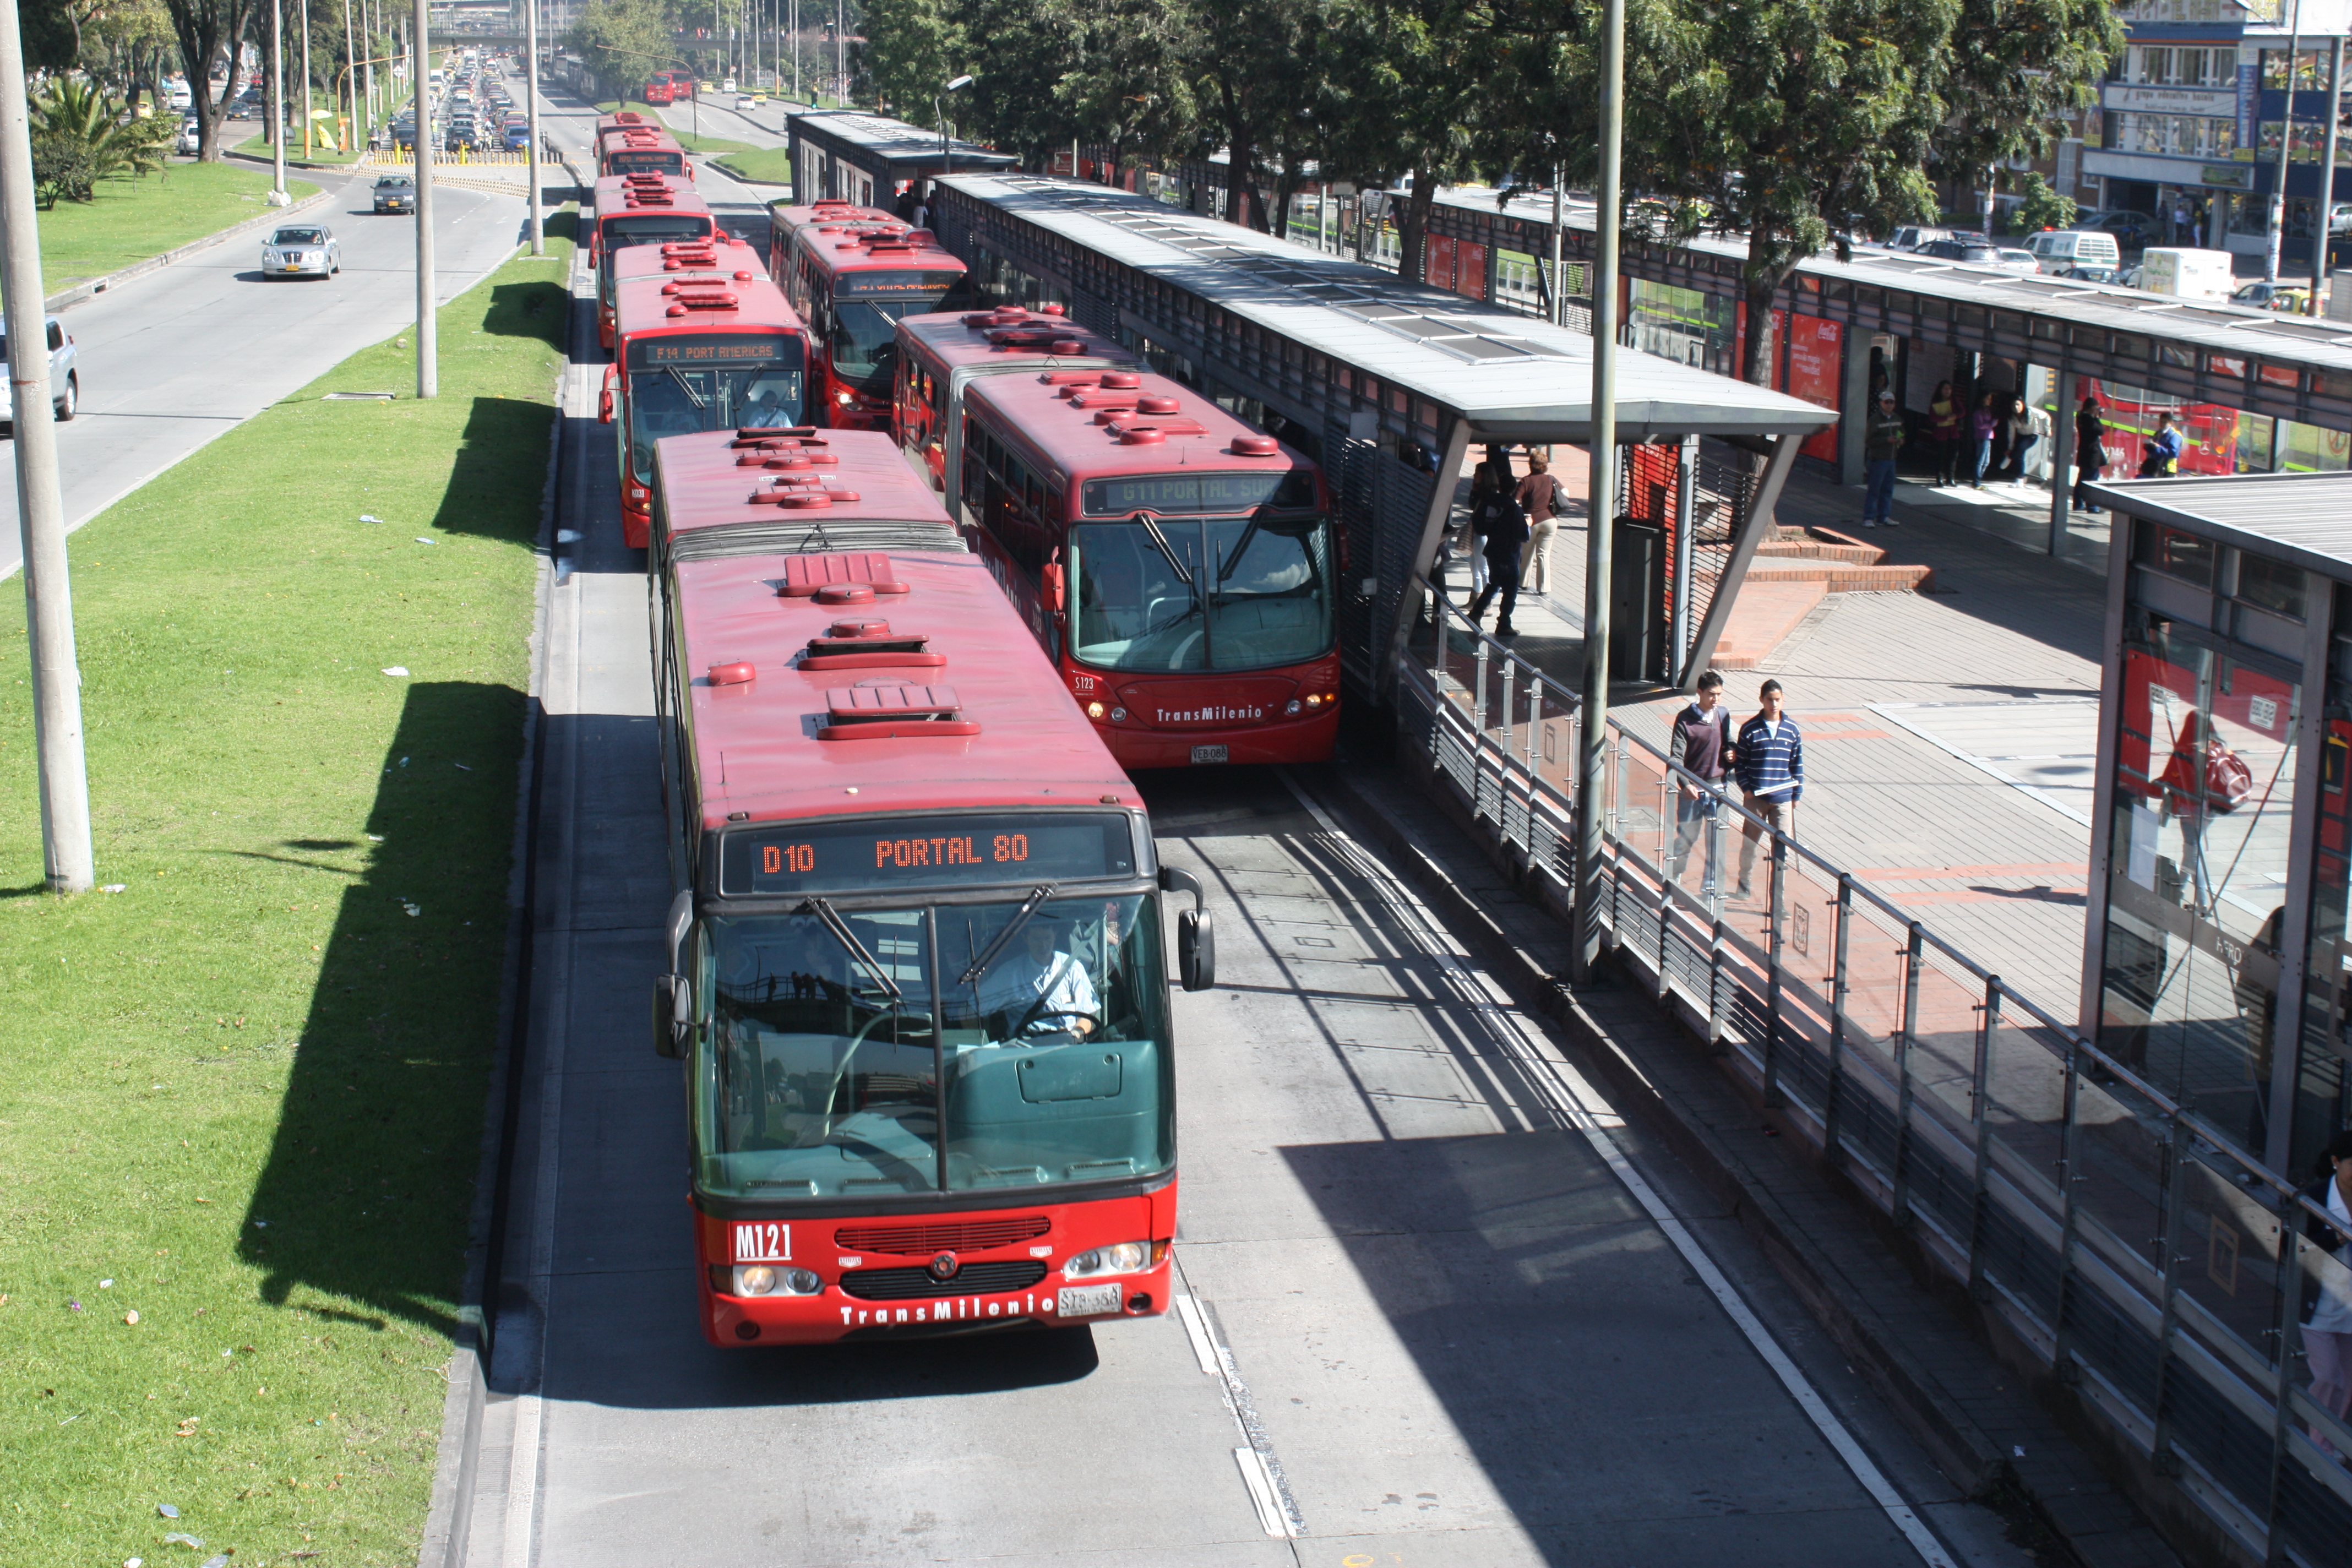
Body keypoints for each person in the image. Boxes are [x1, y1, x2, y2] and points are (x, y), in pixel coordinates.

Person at [2301, 1130, 2352, 1456]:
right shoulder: (2315, 1198)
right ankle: (2320, 1452)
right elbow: (2292, 1250)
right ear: (2336, 1163)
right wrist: (2335, 1240)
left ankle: (2337, 1442)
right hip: (2318, 1308)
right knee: (2328, 1378)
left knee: (2349, 1384)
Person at [1732, 679, 1804, 900]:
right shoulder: (1750, 729)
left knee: (1781, 851)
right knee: (1750, 846)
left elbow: (1797, 763)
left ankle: (1778, 900)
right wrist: (1747, 790)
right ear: (1761, 700)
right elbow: (1740, 763)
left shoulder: (1792, 729)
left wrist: (1797, 794)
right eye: (1770, 700)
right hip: (1757, 798)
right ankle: (1744, 887)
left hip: (1783, 799)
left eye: (1778, 699)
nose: (1774, 704)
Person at [1667, 670, 1735, 897]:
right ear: (1700, 693)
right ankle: (1674, 876)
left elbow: (1729, 743)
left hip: (1717, 788)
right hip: (1693, 789)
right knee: (1686, 839)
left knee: (1716, 842)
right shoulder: (1685, 720)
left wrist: (1731, 752)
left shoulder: (1723, 715)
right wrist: (1685, 784)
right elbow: (1676, 757)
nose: (1716, 700)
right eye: (1712, 694)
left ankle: (1709, 889)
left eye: (1719, 695)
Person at [980, 919, 1099, 1038]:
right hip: (1026, 1046)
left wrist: (1074, 1034)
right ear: (1025, 939)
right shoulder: (1010, 973)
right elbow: (973, 1008)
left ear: (1055, 936)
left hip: (1068, 1044)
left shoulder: (1073, 968)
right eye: (1036, 939)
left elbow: (1086, 1017)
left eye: (1047, 938)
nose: (1043, 945)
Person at [1466, 482, 1530, 636]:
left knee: (1495, 583)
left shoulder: (1489, 503)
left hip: (1493, 550)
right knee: (1510, 590)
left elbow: (1479, 524)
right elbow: (1522, 535)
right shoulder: (1513, 509)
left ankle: (1477, 612)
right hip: (1509, 553)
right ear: (1513, 490)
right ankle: (1503, 623)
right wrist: (1527, 525)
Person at [1515, 453, 1567, 596]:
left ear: (1530, 464)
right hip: (1550, 520)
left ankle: (1523, 583)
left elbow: (1515, 501)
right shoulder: (1551, 479)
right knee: (1544, 554)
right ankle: (1543, 588)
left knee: (1527, 552)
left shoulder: (1526, 481)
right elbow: (1565, 492)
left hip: (1531, 521)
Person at [1861, 390, 1904, 528]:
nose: (1890, 405)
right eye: (1887, 402)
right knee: (1874, 490)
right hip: (1878, 460)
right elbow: (1869, 441)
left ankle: (1884, 517)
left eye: (1892, 402)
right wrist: (1886, 440)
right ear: (1881, 403)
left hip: (1891, 459)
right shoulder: (1875, 420)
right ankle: (1868, 518)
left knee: (1887, 490)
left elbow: (1902, 432)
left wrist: (1901, 439)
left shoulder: (1897, 418)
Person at [2073, 391, 2107, 514]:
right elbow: (2100, 431)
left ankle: (2078, 503)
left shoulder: (2080, 416)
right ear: (2092, 408)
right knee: (2092, 480)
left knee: (2082, 479)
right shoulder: (2089, 419)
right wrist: (2098, 418)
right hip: (2091, 455)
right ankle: (2092, 507)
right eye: (2096, 408)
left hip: (2084, 452)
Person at [1928, 380, 1962, 486]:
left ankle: (1951, 478)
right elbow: (1933, 417)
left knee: (1953, 455)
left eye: (1949, 389)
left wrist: (1955, 416)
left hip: (1953, 431)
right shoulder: (1935, 401)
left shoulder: (1954, 400)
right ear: (1941, 390)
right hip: (1941, 432)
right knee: (1941, 455)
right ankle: (1939, 478)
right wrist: (1946, 418)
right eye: (1945, 388)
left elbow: (1962, 411)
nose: (1948, 391)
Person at [2001, 394, 2039, 482]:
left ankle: (2010, 457)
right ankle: (2020, 479)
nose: (2016, 407)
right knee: (2020, 457)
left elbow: (2046, 416)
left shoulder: (2031, 411)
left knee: (2020, 448)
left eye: (2018, 404)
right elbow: (2011, 433)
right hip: (2021, 435)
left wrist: (2048, 430)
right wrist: (2010, 447)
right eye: (2014, 405)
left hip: (2032, 435)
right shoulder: (2012, 418)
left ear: (2023, 404)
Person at [2138, 410, 2184, 478]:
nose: (2162, 424)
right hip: (2156, 467)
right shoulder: (2158, 433)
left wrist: (2158, 447)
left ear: (2171, 423)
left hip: (2168, 469)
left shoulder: (2175, 435)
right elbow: (2154, 451)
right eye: (2161, 422)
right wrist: (2148, 446)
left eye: (2165, 422)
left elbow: (2173, 453)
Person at [1969, 390, 2000, 488]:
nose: (1990, 401)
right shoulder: (1978, 412)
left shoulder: (1986, 410)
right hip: (1982, 437)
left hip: (1988, 436)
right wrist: (1991, 424)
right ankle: (1977, 481)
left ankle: (1978, 479)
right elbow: (1979, 425)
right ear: (1982, 399)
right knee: (1981, 460)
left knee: (1986, 461)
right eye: (1988, 398)